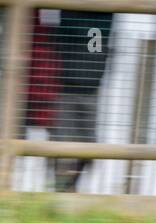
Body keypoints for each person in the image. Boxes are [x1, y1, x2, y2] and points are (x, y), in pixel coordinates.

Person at [50, 10, 113, 192]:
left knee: (88, 145)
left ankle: (70, 186)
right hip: (66, 88)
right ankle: (62, 188)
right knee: (61, 142)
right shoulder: (68, 12)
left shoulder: (103, 17)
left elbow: (94, 36)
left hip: (91, 88)